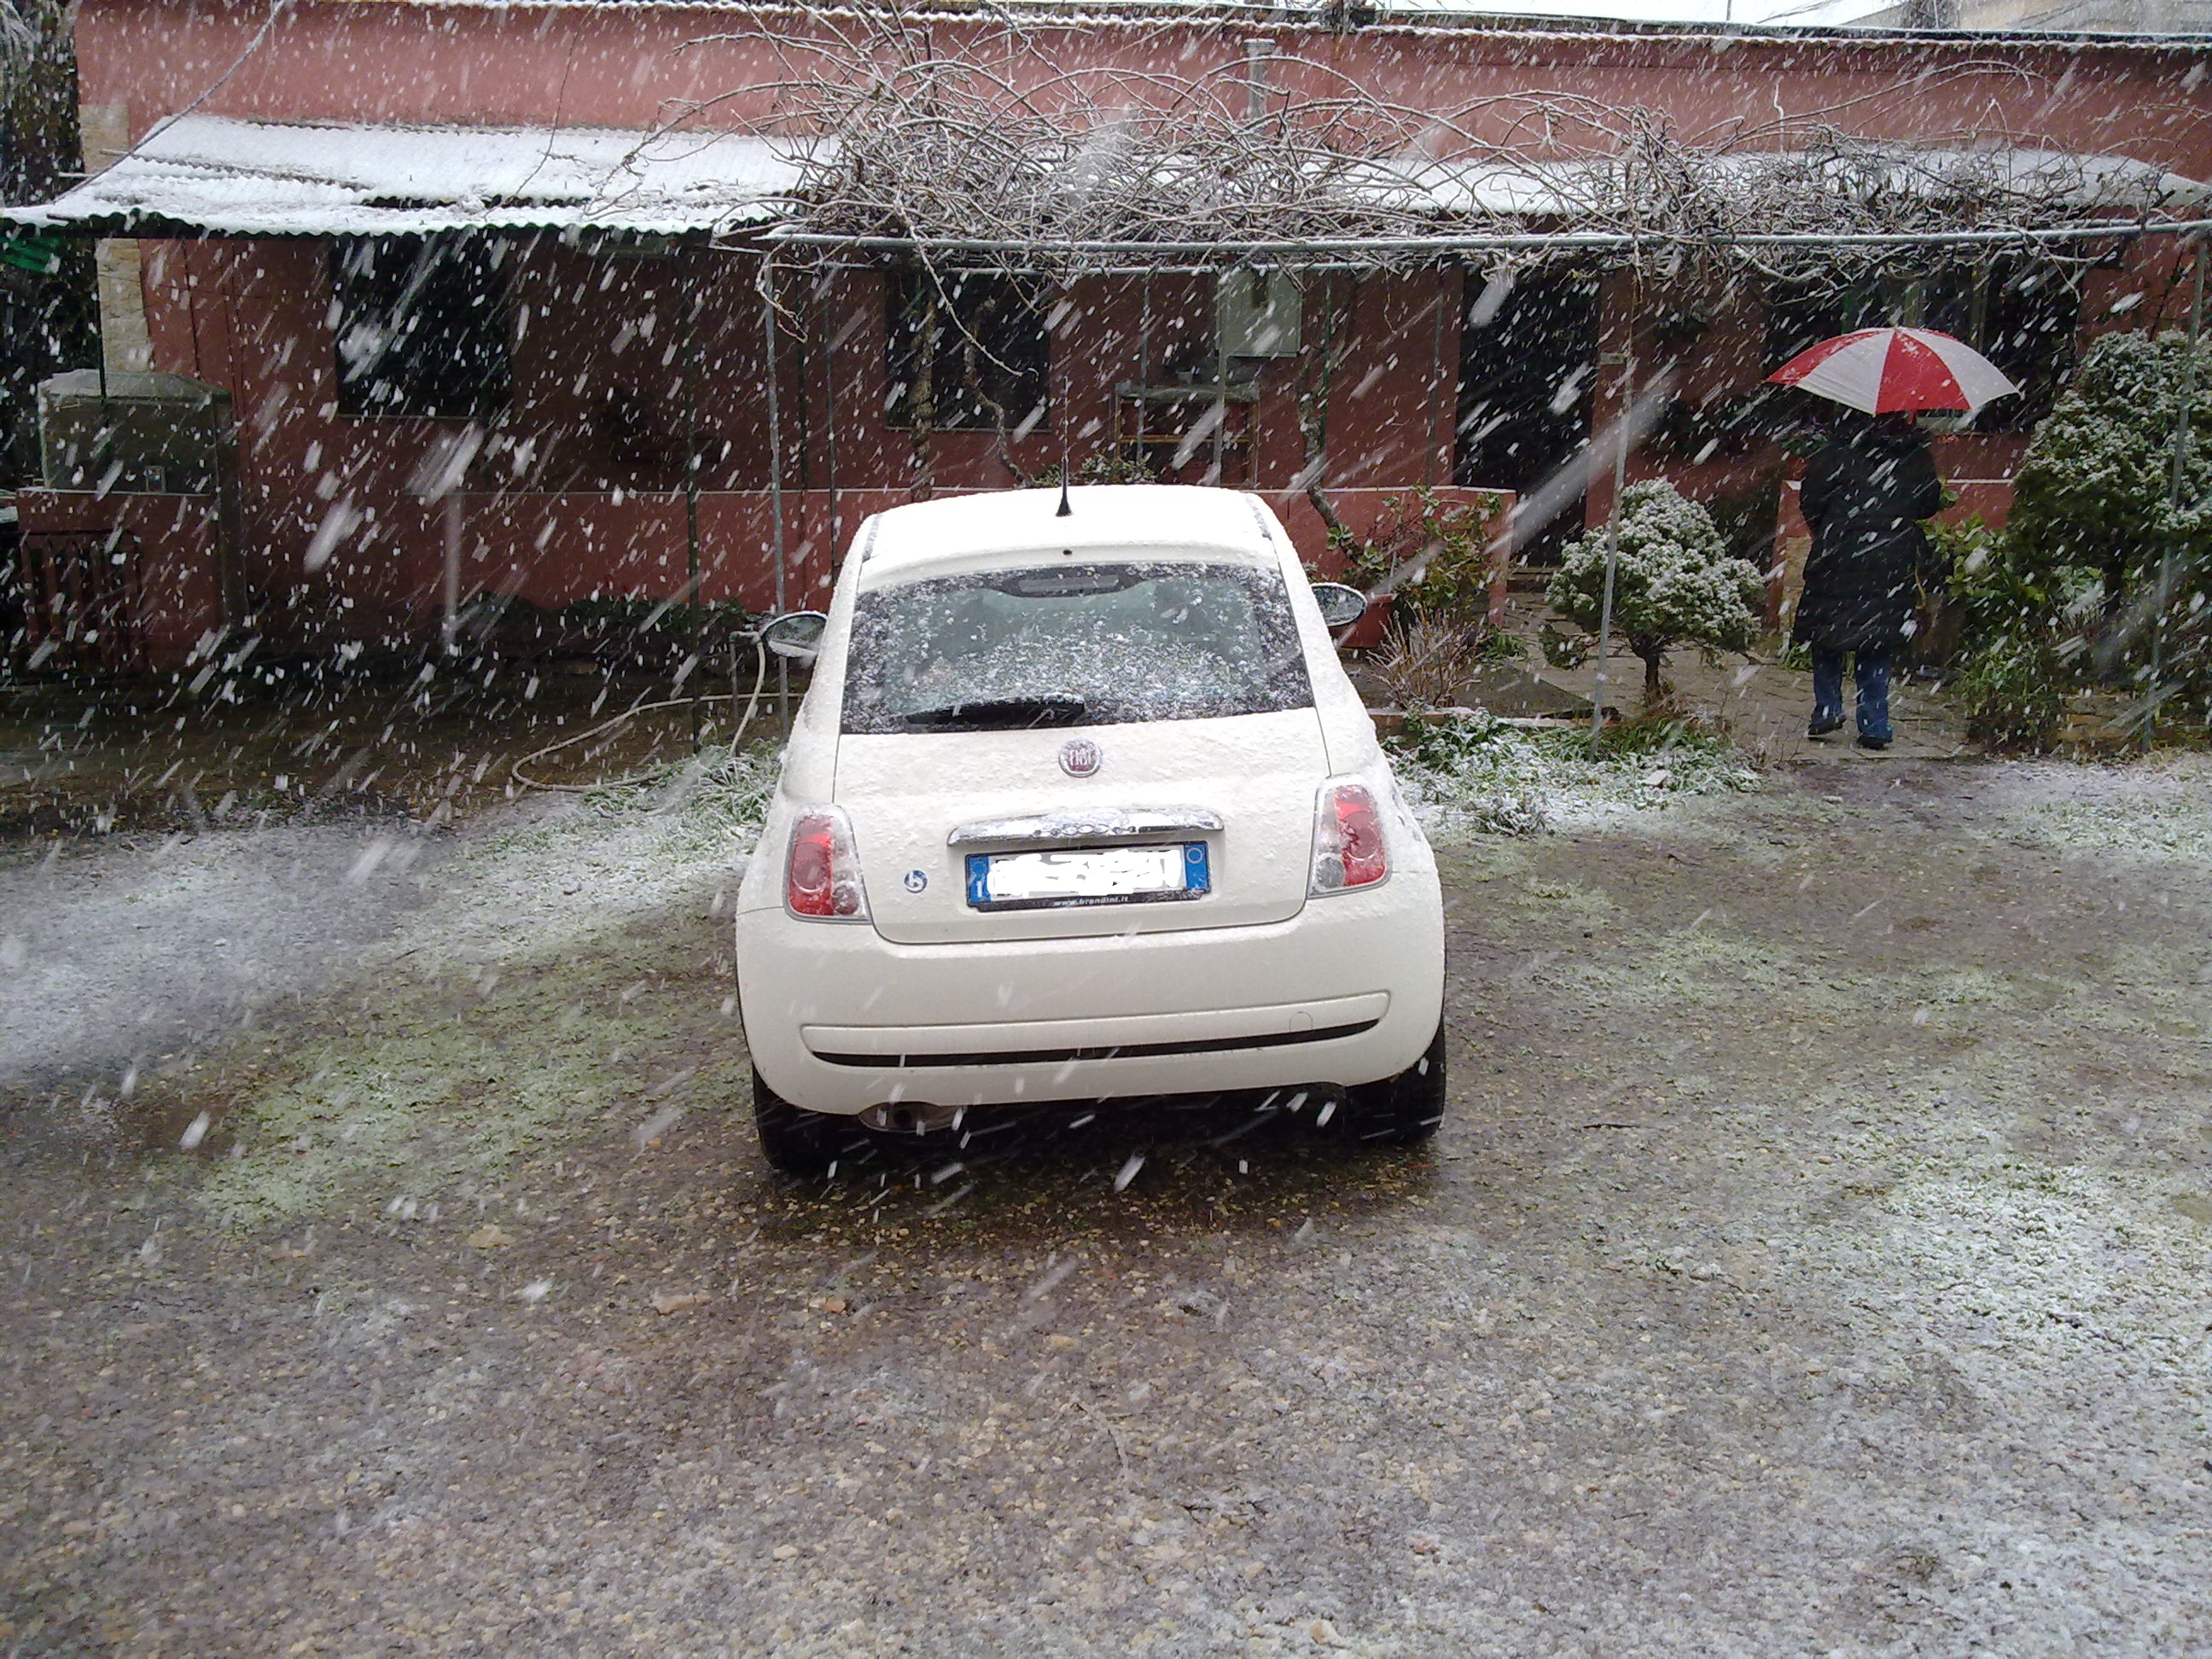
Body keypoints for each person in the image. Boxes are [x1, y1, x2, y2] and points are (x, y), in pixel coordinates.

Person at [1792, 409, 1947, 750]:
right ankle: (1875, 723)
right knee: (1878, 640)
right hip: (1891, 557)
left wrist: (1832, 529)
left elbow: (1811, 501)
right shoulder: (1913, 455)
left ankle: (1828, 708)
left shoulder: (1833, 453)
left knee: (1827, 633)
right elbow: (1927, 504)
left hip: (1837, 552)